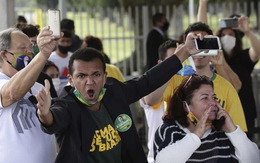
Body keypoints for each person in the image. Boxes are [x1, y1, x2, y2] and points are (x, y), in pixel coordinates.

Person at [35, 32, 201, 163]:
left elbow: (147, 81)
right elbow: (53, 120)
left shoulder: (114, 91)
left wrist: (185, 51)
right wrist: (44, 114)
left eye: (96, 74)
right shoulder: (66, 104)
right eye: (81, 76)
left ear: (105, 77)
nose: (89, 81)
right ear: (71, 80)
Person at [142, 24, 247, 163]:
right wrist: (175, 61)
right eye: (194, 44)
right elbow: (150, 100)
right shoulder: (174, 79)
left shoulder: (226, 87)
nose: (199, 50)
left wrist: (221, 64)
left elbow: (239, 135)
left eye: (204, 43)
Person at [153, 74, 260, 162]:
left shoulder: (223, 133)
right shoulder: (169, 131)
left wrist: (234, 131)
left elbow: (254, 160)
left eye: (214, 97)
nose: (213, 103)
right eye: (205, 98)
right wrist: (196, 135)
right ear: (186, 106)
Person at [200, 0, 260, 140]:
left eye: (231, 35)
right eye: (223, 35)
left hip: (244, 111)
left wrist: (248, 31)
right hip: (220, 112)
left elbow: (257, 52)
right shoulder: (215, 57)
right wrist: (203, 4)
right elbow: (202, 34)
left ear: (237, 38)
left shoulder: (243, 57)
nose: (227, 37)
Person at [0, 26, 57, 162]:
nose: (29, 53)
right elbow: (12, 94)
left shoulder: (39, 87)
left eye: (31, 48)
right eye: (22, 48)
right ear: (3, 55)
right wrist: (43, 55)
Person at [15, 23, 58, 98]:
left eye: (36, 43)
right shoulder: (9, 77)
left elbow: (54, 105)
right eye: (31, 43)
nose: (33, 48)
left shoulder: (44, 78)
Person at [48, 30, 73, 95]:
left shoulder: (73, 57)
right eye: (63, 41)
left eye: (68, 41)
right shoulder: (50, 59)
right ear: (57, 42)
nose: (66, 44)